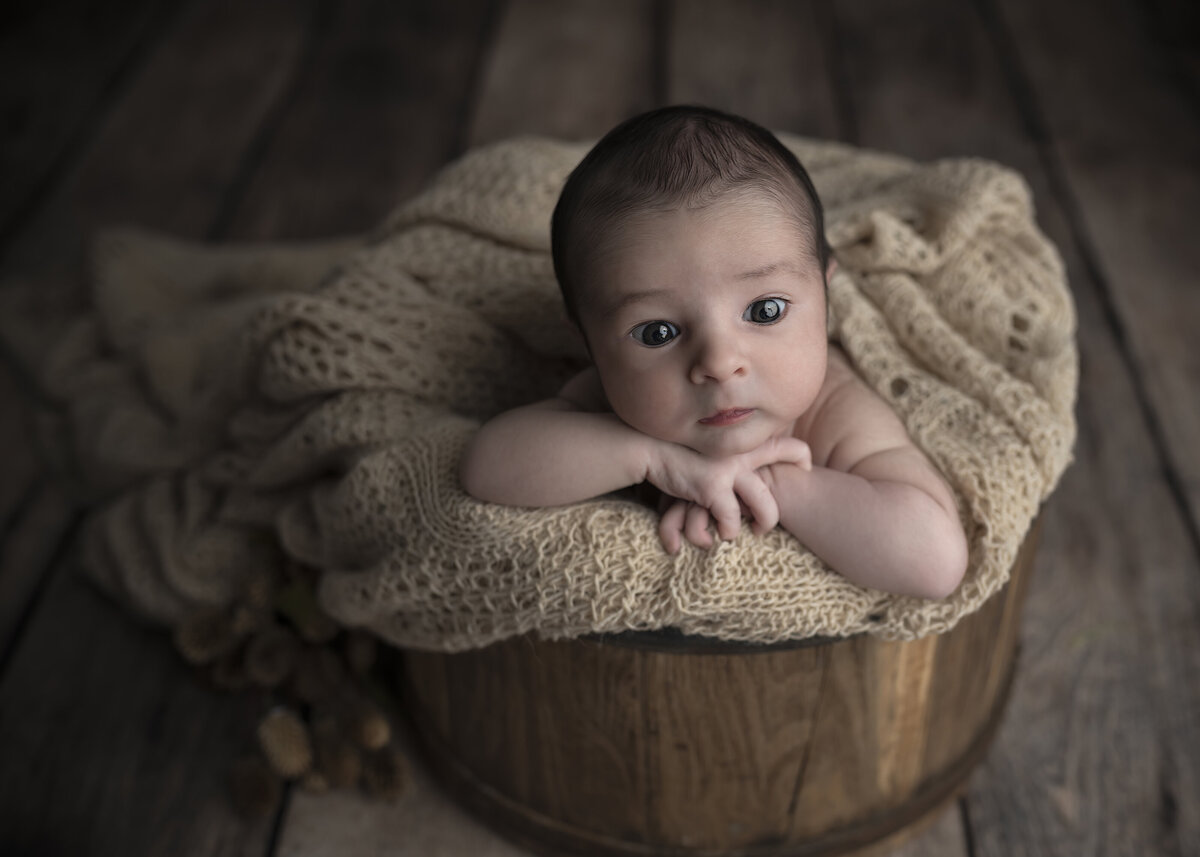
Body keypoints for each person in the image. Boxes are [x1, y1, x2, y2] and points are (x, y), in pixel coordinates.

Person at [459, 105, 968, 599]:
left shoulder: (834, 410)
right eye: (657, 333)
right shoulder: (614, 404)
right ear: (589, 344)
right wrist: (650, 459)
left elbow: (935, 561)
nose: (720, 363)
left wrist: (764, 485)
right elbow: (486, 467)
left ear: (826, 297)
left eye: (766, 311)